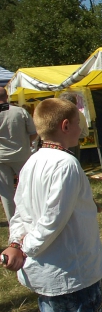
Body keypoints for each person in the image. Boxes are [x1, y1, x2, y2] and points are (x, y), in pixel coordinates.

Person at [1, 98, 102, 312]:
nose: (81, 129)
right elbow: (52, 220)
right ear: (65, 125)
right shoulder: (64, 164)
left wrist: (17, 243)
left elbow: (21, 212)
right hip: (70, 270)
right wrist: (23, 248)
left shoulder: (32, 162)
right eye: (78, 123)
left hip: (49, 271)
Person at [0, 86, 37, 223]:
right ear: (7, 96)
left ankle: (12, 222)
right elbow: (34, 132)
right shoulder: (19, 111)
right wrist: (26, 142)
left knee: (5, 192)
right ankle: (30, 217)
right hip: (21, 154)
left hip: (1, 157)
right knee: (27, 187)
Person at [60, 92, 90, 162]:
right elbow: (85, 133)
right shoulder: (80, 114)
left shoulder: (61, 115)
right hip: (75, 143)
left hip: (63, 145)